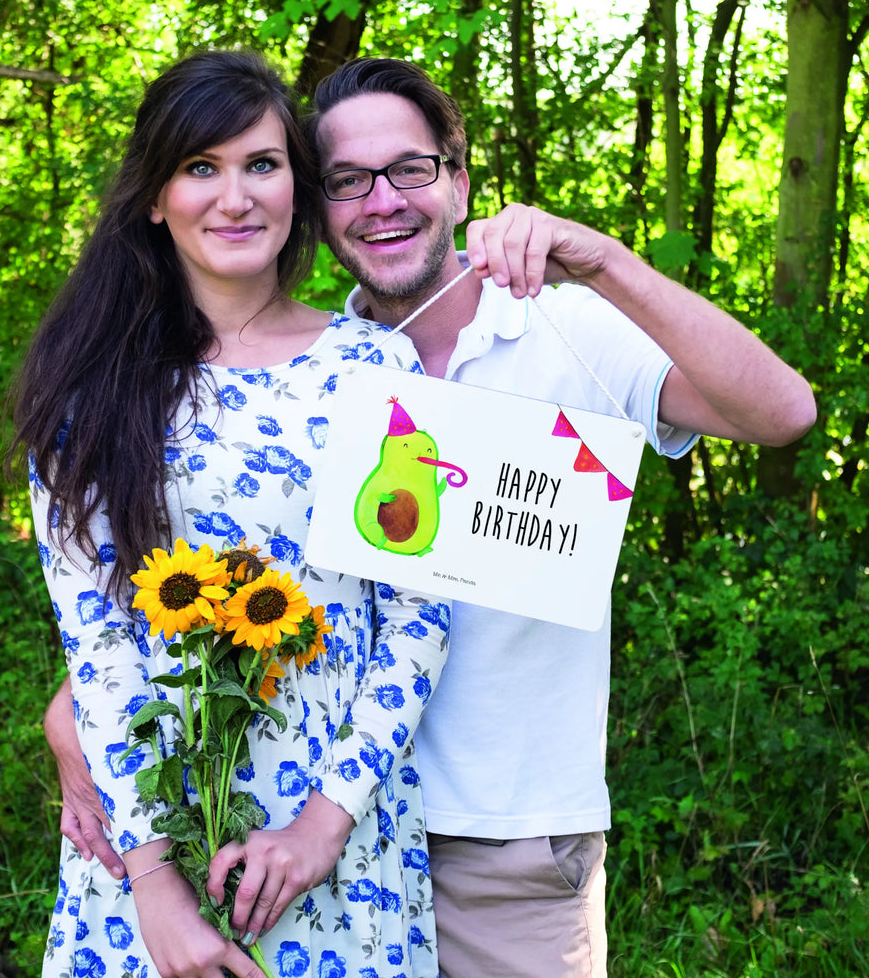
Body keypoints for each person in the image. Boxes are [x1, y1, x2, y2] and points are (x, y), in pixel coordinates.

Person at [46, 56, 817, 978]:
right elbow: (178, 586)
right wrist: (80, 723)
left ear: (457, 179)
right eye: (347, 181)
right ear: (319, 205)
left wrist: (604, 260)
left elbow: (783, 415)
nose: (382, 201)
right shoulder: (305, 371)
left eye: (409, 169)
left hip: (499, 842)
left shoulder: (558, 327)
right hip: (268, 829)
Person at [10, 51, 452, 978]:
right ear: (154, 198)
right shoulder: (89, 392)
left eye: (261, 164)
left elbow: (419, 615)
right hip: (147, 843)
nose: (235, 196)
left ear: (297, 183)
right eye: (200, 168)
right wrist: (156, 890)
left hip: (337, 843)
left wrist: (323, 826)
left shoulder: (377, 369)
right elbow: (97, 645)